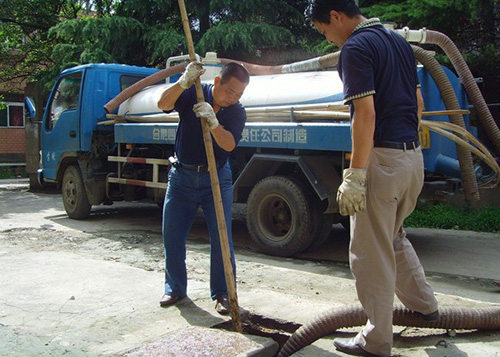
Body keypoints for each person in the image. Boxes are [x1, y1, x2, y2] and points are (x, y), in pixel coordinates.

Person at [305, 1, 439, 356]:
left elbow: (364, 114)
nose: (328, 39)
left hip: (384, 160)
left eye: (324, 31)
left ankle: (376, 340)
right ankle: (426, 306)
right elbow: (418, 103)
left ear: (335, 17)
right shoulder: (397, 42)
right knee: (393, 239)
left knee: (369, 254)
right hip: (412, 159)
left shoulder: (356, 48)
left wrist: (356, 175)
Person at [157, 61, 250, 315]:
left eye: (239, 94)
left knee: (222, 238)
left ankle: (222, 293)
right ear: (218, 82)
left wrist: (214, 122)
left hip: (216, 179)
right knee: (172, 236)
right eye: (230, 91)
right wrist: (182, 82)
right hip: (182, 178)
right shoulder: (193, 92)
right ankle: (174, 288)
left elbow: (229, 145)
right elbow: (163, 104)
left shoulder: (236, 112)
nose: (233, 98)